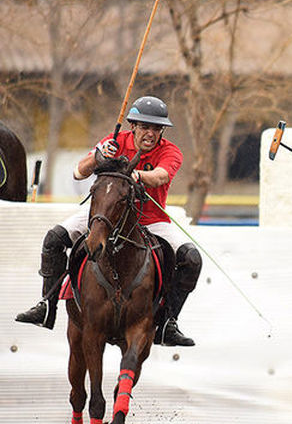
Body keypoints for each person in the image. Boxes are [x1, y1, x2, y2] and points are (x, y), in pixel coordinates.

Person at [15, 96, 202, 347]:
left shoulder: (170, 151)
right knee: (54, 239)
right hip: (105, 214)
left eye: (157, 128)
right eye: (145, 126)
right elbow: (78, 172)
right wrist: (99, 156)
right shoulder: (114, 142)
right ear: (132, 126)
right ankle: (46, 306)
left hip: (150, 220)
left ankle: (168, 322)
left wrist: (137, 175)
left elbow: (160, 177)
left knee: (191, 259)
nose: (151, 133)